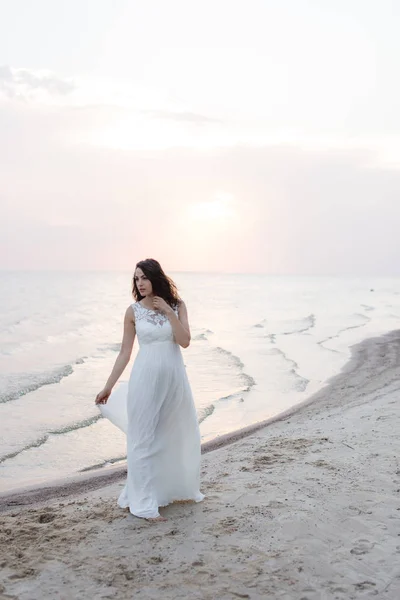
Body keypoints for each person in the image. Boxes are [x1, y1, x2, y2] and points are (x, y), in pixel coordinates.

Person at [95, 258, 204, 522]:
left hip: (175, 381)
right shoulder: (133, 312)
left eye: (144, 277)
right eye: (136, 278)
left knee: (173, 436)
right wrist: (108, 386)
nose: (140, 283)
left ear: (156, 277)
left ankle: (166, 490)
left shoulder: (178, 306)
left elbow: (185, 341)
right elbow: (124, 353)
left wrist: (168, 311)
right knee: (141, 439)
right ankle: (143, 505)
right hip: (145, 380)